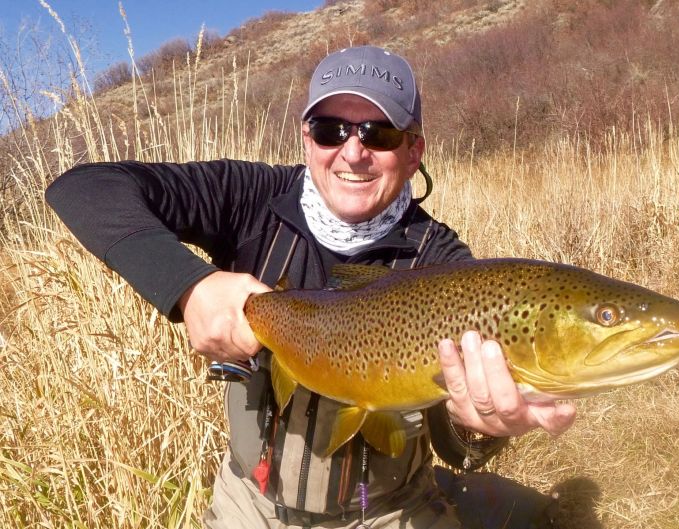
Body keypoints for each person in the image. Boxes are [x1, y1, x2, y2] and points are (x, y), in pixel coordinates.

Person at [46, 45, 576, 528]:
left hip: (388, 512)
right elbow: (84, 190)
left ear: (414, 151)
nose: (352, 152)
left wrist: (481, 425)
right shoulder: (248, 199)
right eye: (330, 130)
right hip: (248, 506)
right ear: (306, 138)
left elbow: (456, 447)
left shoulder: (444, 266)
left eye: (380, 133)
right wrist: (192, 286)